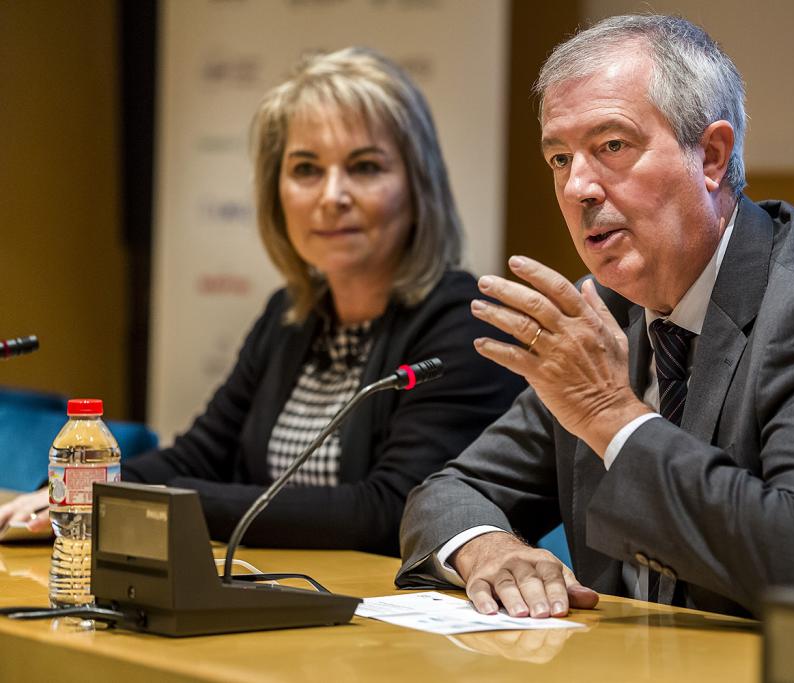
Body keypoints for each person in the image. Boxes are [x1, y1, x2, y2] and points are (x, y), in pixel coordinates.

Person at [395, 15, 794, 661]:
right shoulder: (610, 309)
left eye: (611, 145)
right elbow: (447, 492)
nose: (577, 186)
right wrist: (487, 545)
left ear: (711, 155)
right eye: (559, 157)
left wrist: (612, 416)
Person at [0, 47, 523, 555]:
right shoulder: (291, 316)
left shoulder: (467, 324)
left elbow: (393, 509)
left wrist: (158, 502)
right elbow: (202, 453)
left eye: (364, 167)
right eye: (306, 169)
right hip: (280, 596)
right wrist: (76, 495)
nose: (331, 195)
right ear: (277, 192)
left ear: (417, 185)